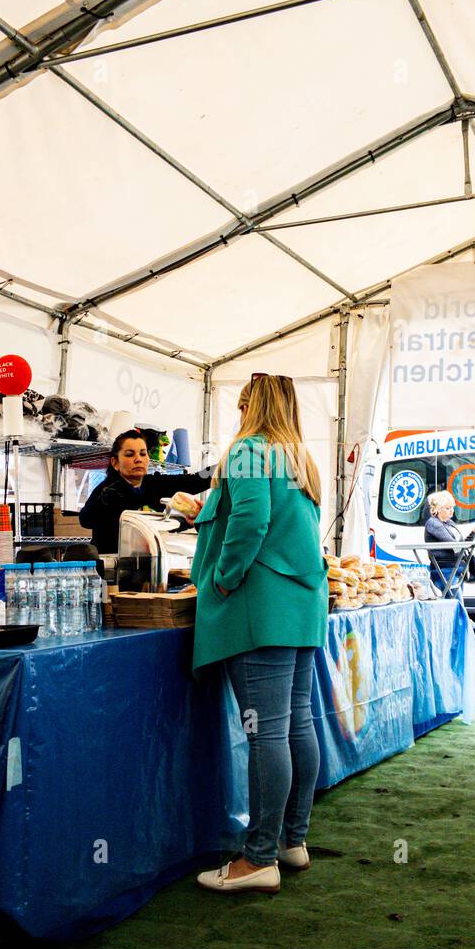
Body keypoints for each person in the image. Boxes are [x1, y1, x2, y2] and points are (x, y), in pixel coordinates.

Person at [189, 374, 328, 894]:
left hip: (262, 605)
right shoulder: (299, 457)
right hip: (303, 604)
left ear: (250, 403)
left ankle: (258, 858)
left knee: (267, 731)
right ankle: (292, 841)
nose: (238, 407)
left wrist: (224, 577)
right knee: (297, 722)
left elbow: (251, 518)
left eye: (241, 400)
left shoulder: (249, 449)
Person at [77, 429, 211, 554]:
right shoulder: (109, 489)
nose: (138, 459)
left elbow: (196, 480)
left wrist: (228, 466)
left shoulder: (152, 484)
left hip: (146, 564)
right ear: (115, 462)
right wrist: (102, 502)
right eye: (130, 454)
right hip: (112, 568)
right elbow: (85, 519)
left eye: (143, 453)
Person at [423, 490, 475, 594]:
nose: (452, 511)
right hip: (445, 571)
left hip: (456, 568)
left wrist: (473, 532)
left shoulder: (449, 523)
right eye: (448, 508)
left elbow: (462, 544)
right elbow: (454, 545)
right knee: (456, 603)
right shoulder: (433, 523)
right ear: (438, 509)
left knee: (455, 604)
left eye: (452, 507)